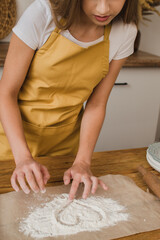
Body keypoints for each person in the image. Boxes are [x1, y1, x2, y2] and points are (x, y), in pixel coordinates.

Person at [0, 0, 138, 200]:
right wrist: (22, 159)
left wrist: (83, 162)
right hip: (10, 144)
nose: (103, 9)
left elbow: (97, 103)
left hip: (65, 148)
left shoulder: (125, 31)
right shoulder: (42, 15)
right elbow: (6, 92)